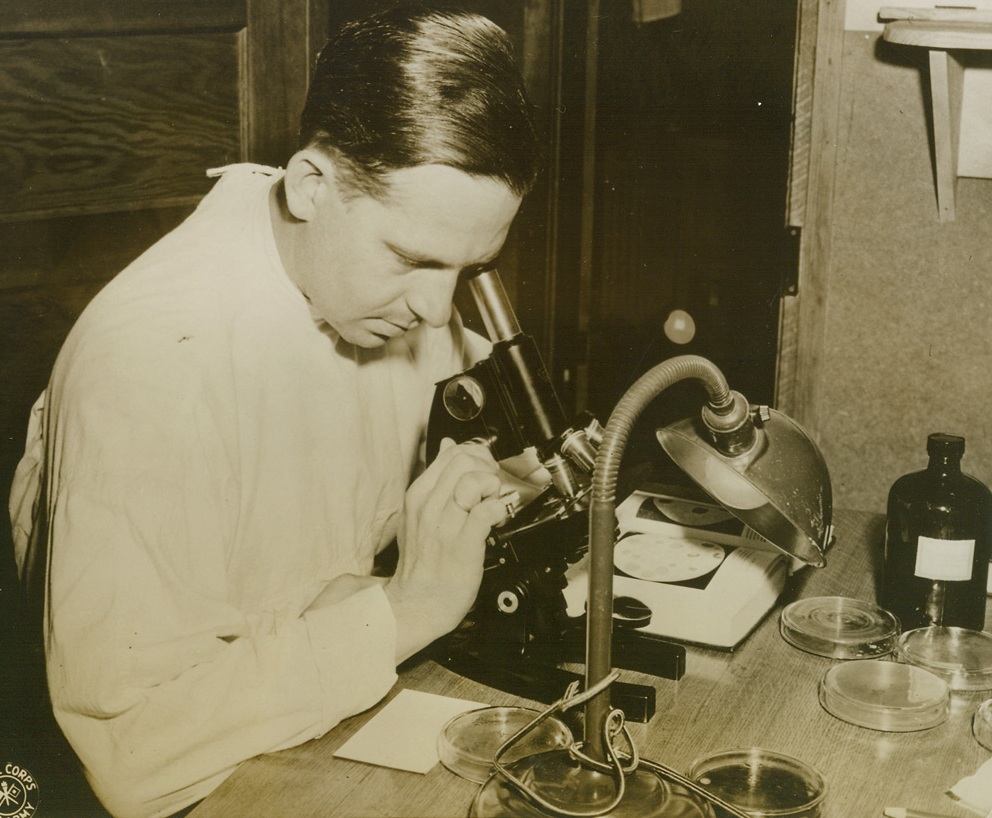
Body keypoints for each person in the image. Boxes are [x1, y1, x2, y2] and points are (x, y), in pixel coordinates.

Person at [8, 6, 541, 818]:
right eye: (412, 258)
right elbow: (132, 752)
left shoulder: (371, 282)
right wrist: (411, 607)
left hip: (311, 736)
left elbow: (496, 457)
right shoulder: (152, 361)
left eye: (470, 268)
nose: (438, 312)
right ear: (311, 186)